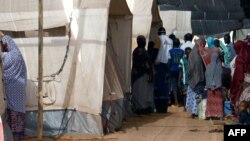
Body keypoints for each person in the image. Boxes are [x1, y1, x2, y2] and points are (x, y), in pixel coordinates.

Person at [0, 32, 27, 141]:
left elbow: (3, 65)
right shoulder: (18, 54)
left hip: (10, 94)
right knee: (18, 120)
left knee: (12, 122)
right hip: (19, 94)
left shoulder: (9, 56)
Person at [131, 35, 154, 115]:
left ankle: (138, 108)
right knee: (143, 93)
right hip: (143, 76)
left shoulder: (135, 51)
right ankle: (143, 108)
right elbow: (148, 65)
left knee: (138, 93)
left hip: (136, 75)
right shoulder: (144, 53)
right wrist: (150, 73)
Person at [186, 38, 206, 118]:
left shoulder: (191, 53)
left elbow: (189, 67)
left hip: (192, 79)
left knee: (192, 94)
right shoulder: (199, 54)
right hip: (199, 78)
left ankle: (193, 112)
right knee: (198, 94)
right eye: (203, 45)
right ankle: (196, 112)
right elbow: (202, 67)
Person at [154, 27, 173, 113]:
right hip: (167, 63)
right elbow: (170, 53)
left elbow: (155, 51)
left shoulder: (157, 39)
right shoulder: (170, 40)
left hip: (159, 63)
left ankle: (159, 104)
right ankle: (166, 100)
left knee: (159, 83)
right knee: (166, 82)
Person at [230, 38, 250, 108]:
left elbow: (238, 75)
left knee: (242, 100)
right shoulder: (247, 55)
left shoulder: (240, 58)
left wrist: (234, 88)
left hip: (244, 83)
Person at [205, 53, 223, 119]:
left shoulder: (208, 66)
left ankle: (209, 115)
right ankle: (219, 115)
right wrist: (217, 84)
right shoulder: (219, 66)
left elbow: (206, 76)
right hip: (218, 87)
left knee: (210, 101)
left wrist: (210, 85)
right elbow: (221, 76)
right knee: (218, 101)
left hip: (210, 88)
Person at [169, 38, 184, 106]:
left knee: (174, 86)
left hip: (172, 70)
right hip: (180, 70)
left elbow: (169, 61)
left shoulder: (170, 51)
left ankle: (176, 102)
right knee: (179, 85)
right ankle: (181, 101)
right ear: (178, 44)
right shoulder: (182, 51)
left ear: (173, 44)